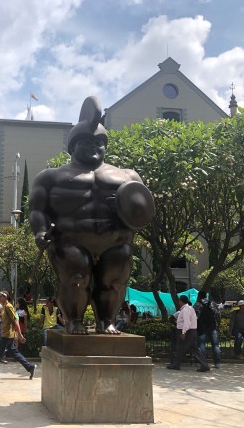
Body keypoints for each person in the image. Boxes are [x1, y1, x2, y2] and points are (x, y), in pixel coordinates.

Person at [29, 96, 154, 335]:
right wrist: (40, 231)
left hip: (116, 241)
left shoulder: (128, 176)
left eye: (99, 142)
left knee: (114, 282)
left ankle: (106, 320)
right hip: (70, 241)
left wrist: (126, 210)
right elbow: (37, 210)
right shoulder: (50, 177)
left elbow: (142, 210)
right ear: (72, 147)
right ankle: (74, 320)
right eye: (86, 141)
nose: (93, 146)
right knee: (76, 278)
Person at [0, 291, 37, 381]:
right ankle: (30, 367)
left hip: (7, 335)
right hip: (6, 334)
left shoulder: (8, 307)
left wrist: (20, 334)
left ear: (6, 297)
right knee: (15, 353)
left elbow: (15, 320)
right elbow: (5, 322)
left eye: (1, 296)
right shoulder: (4, 307)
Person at [167, 295, 210, 372]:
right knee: (194, 349)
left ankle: (176, 364)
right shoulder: (190, 308)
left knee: (180, 348)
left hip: (187, 331)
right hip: (192, 331)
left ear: (181, 301)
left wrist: (183, 332)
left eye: (179, 301)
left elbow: (187, 322)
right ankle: (204, 365)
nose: (179, 302)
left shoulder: (185, 310)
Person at [193, 291, 222, 368]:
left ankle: (202, 362)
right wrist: (218, 325)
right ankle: (217, 363)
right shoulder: (213, 304)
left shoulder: (197, 305)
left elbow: (194, 317)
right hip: (212, 327)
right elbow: (218, 315)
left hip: (201, 328)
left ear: (199, 296)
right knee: (215, 345)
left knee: (201, 345)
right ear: (206, 296)